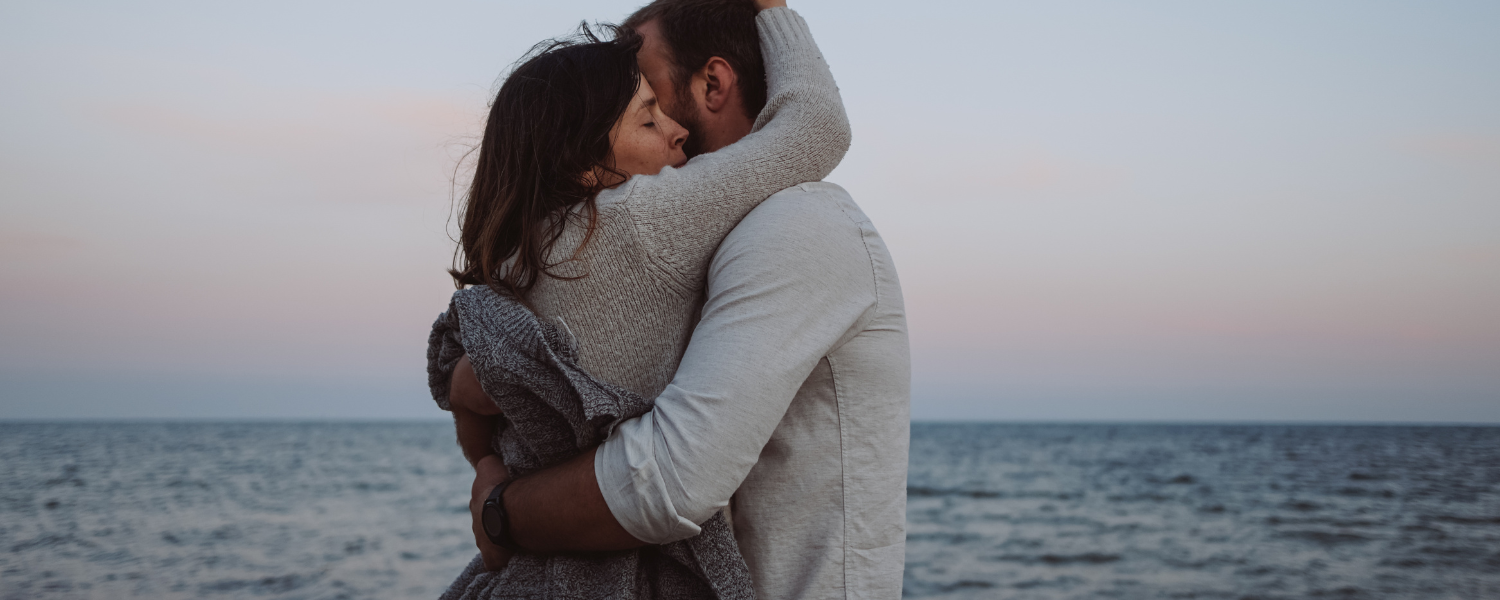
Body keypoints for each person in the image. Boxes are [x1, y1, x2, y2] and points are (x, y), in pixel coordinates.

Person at [444, 0, 911, 598]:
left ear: (713, 82)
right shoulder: (653, 227)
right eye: (643, 113)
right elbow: (817, 122)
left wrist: (499, 506)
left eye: (646, 87)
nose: (669, 125)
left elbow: (667, 478)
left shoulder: (798, 223)